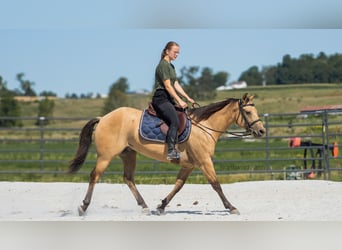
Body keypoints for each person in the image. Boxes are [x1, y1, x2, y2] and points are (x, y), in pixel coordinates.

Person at [152, 41, 195, 160]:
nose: (177, 55)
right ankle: (171, 151)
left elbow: (175, 84)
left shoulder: (171, 66)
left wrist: (187, 98)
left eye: (178, 53)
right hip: (161, 98)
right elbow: (168, 86)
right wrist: (179, 101)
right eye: (175, 52)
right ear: (167, 51)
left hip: (168, 98)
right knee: (175, 121)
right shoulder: (163, 66)